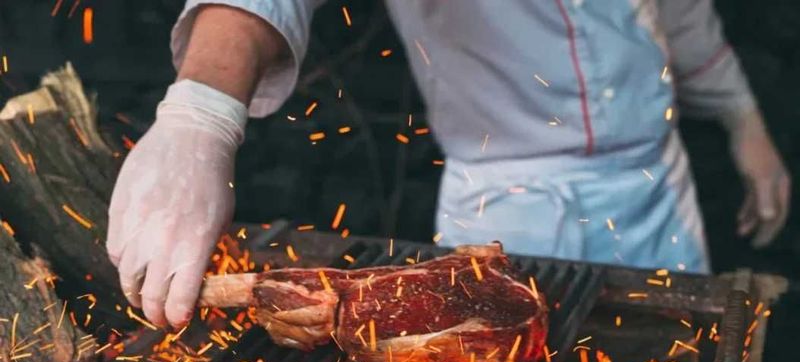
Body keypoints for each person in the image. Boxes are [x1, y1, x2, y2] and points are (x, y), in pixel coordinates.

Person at [107, 1, 791, 329]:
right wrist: (202, 112)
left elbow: (680, 12)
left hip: (654, 187)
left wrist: (744, 121)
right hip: (512, 201)